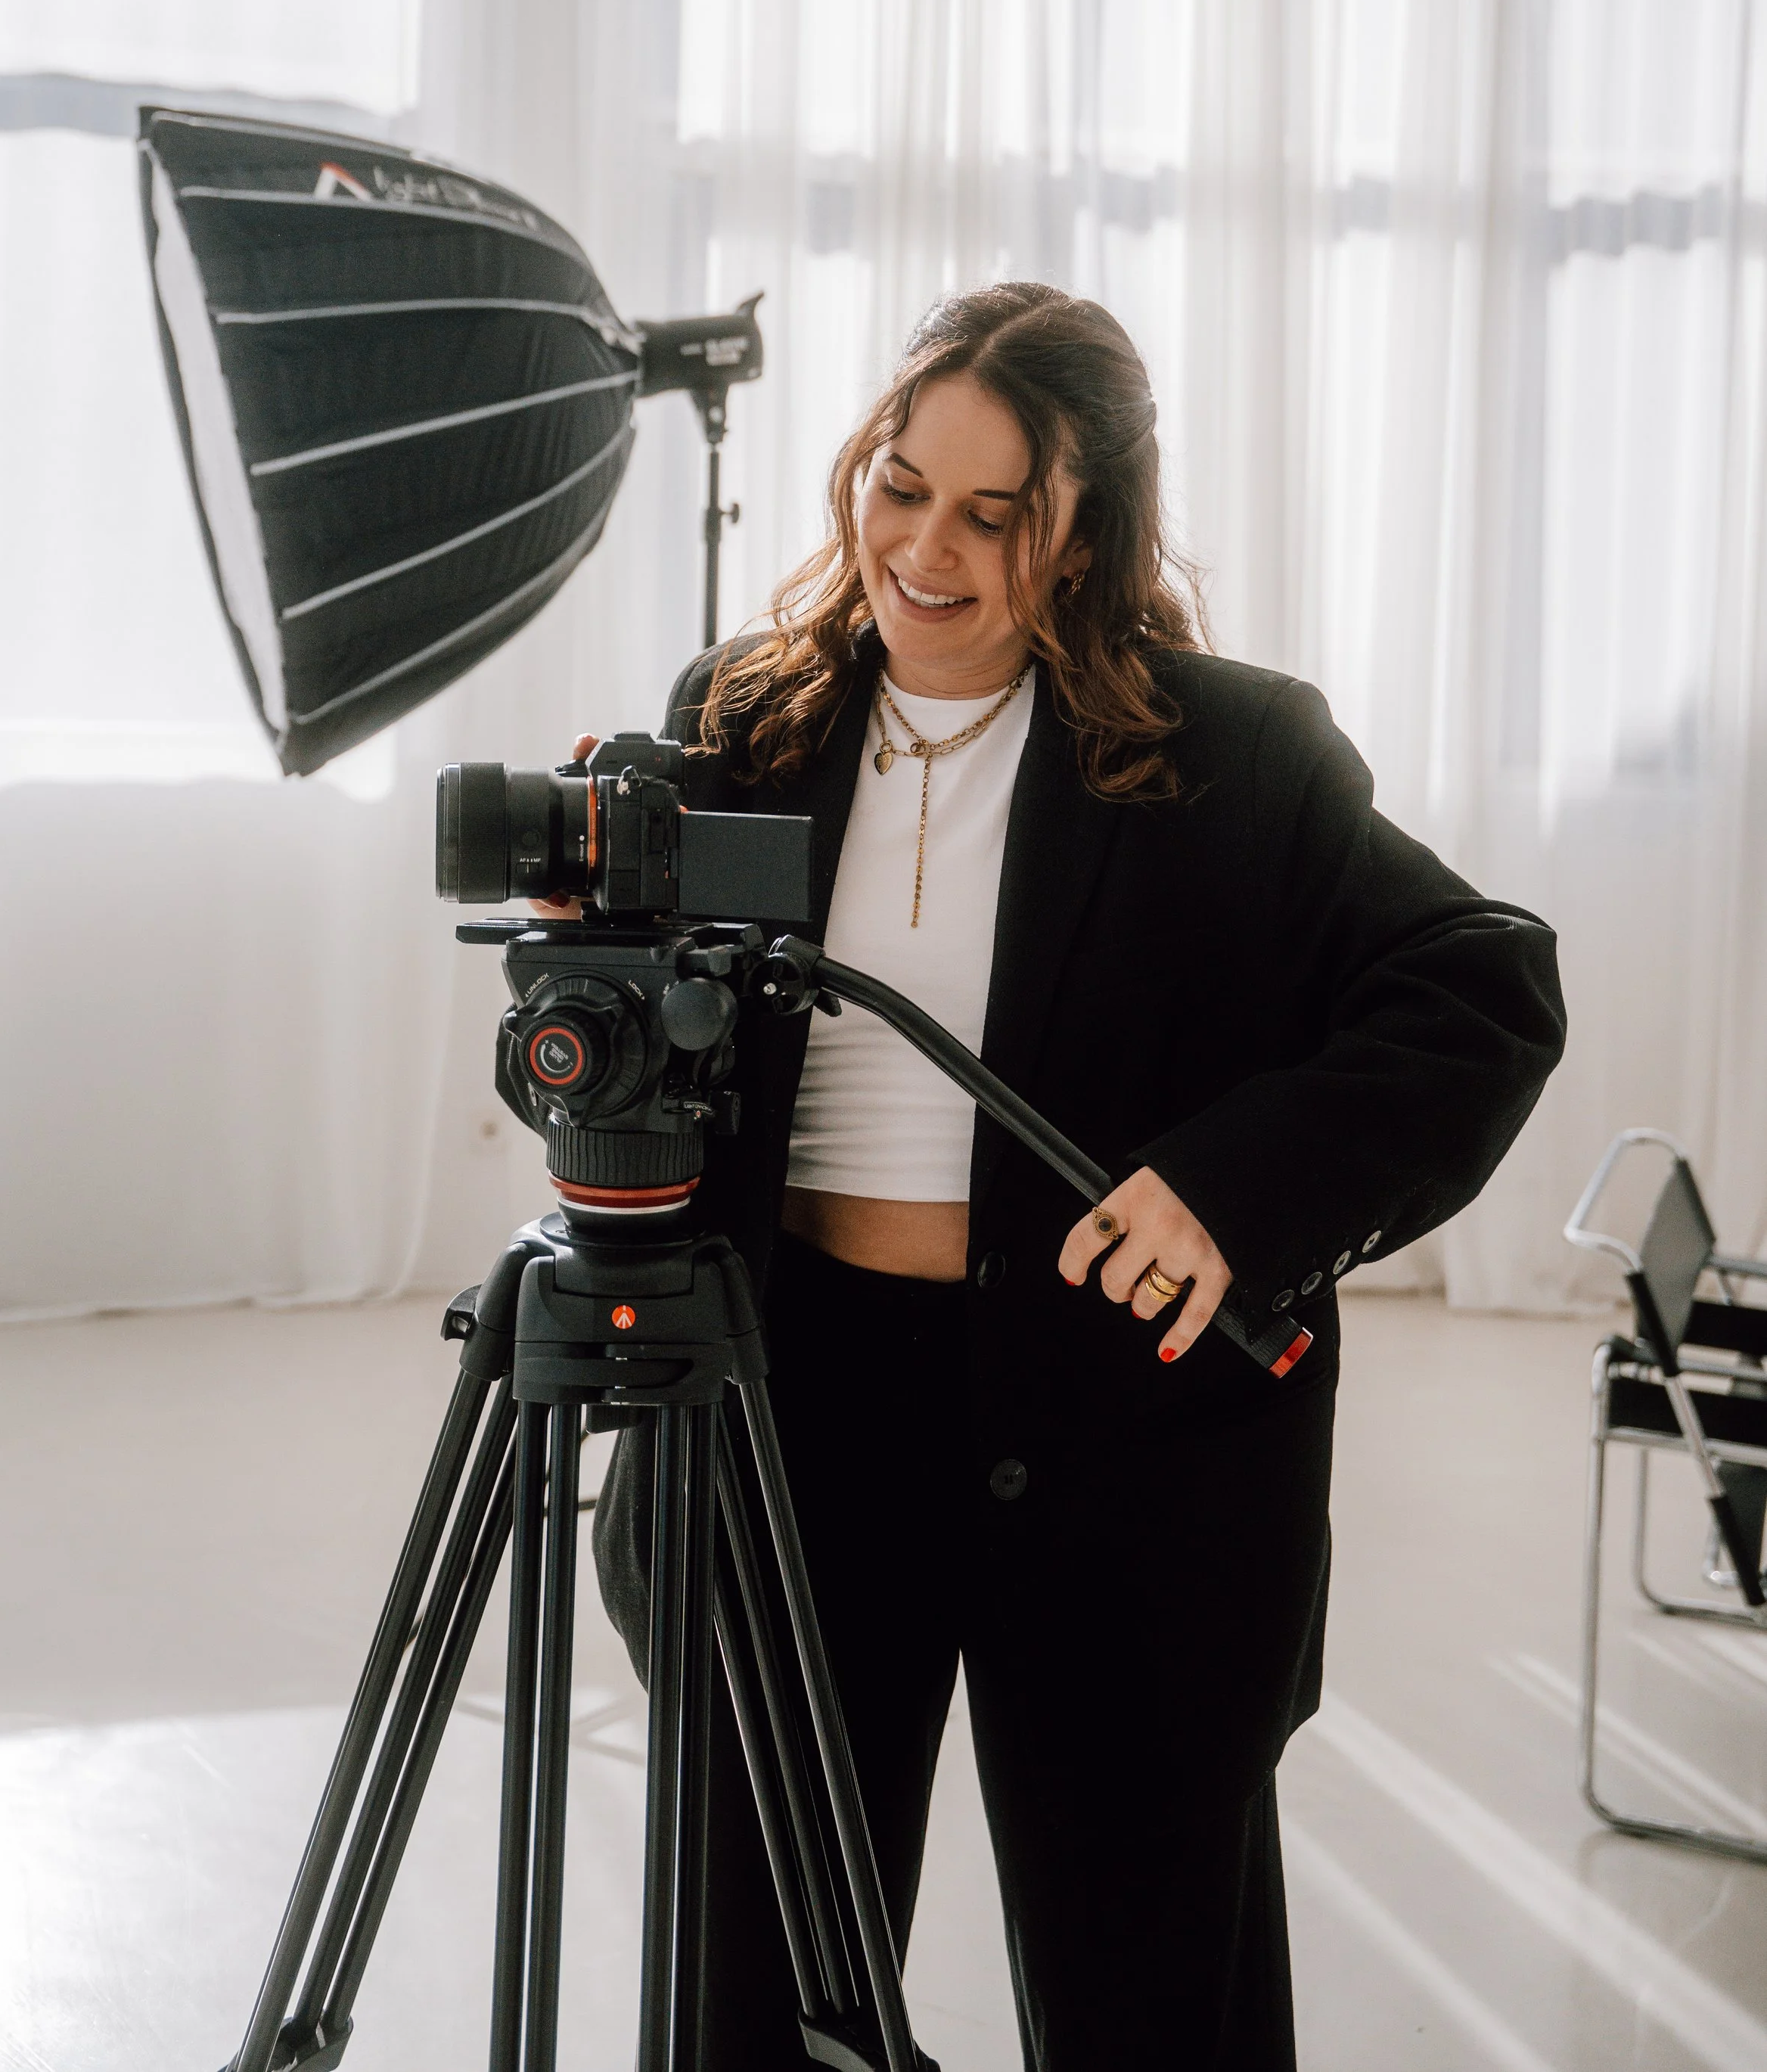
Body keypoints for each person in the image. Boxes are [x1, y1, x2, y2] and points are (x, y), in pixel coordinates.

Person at [589, 282, 1567, 2070]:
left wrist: (1233, 1186)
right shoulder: (736, 718)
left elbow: (1481, 983)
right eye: (900, 487)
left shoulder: (1230, 752)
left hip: (1124, 1452)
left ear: (1089, 531)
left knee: (1150, 2003)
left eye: (995, 514)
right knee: (757, 1997)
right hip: (791, 1420)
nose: (926, 550)